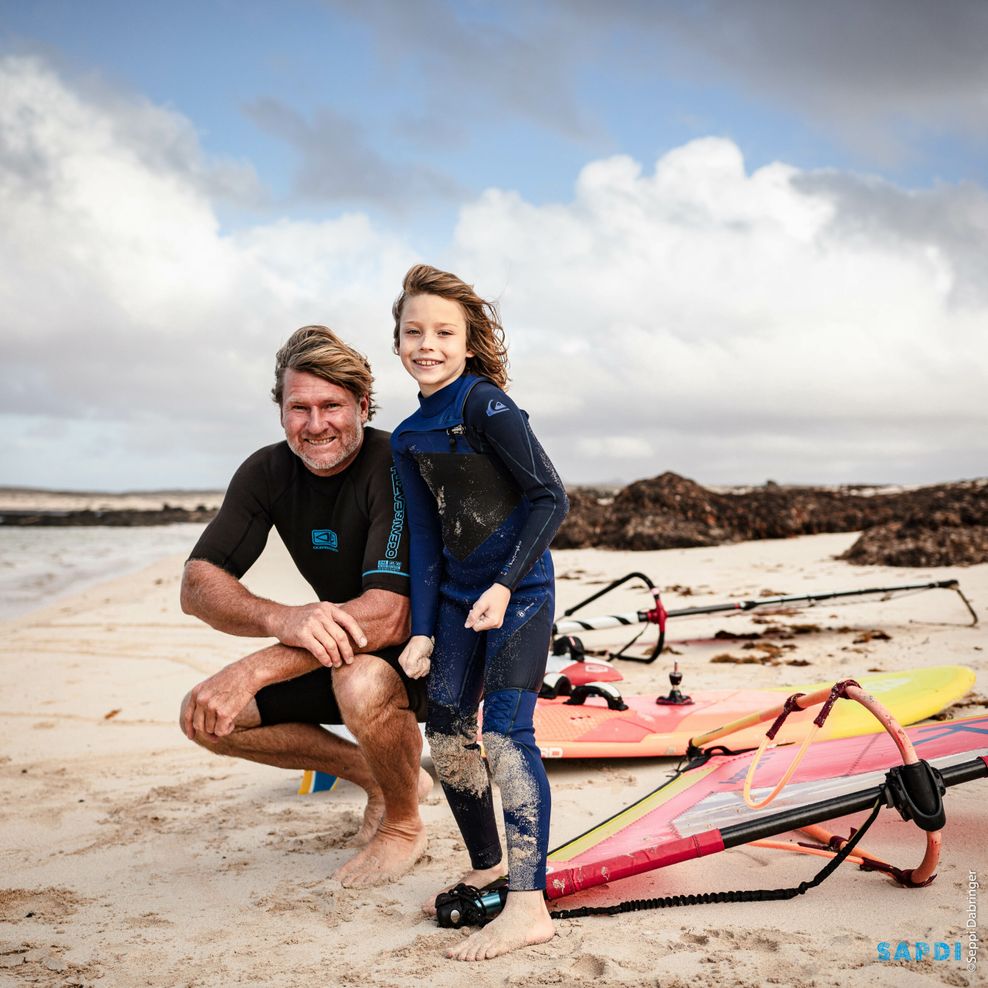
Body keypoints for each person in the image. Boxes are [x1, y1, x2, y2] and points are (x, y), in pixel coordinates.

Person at [179, 325, 430, 889]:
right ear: (282, 413)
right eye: (300, 408)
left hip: (428, 657)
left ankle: (405, 825)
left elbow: (389, 614)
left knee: (360, 682)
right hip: (337, 653)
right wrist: (281, 617)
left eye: (332, 406)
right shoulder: (268, 471)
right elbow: (197, 585)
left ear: (363, 405)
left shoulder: (397, 465)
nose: (316, 425)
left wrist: (252, 668)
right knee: (208, 718)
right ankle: (380, 777)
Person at [390, 264, 568, 960]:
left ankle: (528, 905)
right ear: (398, 341)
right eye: (413, 332)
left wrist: (503, 584)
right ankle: (490, 866)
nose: (426, 344)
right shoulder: (408, 434)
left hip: (517, 593)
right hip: (458, 599)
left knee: (505, 734)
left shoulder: (486, 406)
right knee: (444, 728)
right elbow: (428, 538)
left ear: (469, 343)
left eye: (443, 332)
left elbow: (550, 496)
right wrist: (424, 630)